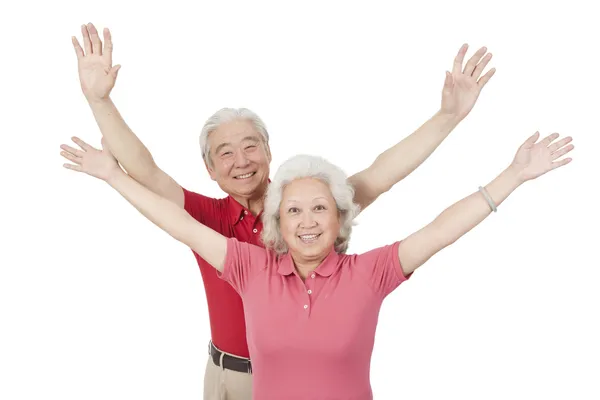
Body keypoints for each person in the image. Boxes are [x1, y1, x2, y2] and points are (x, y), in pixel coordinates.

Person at [69, 21, 496, 399]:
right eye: (226, 153)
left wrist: (448, 116)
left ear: (269, 151)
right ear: (211, 169)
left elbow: (383, 173)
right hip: (222, 372)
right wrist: (100, 103)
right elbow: (146, 172)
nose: (241, 161)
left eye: (250, 145)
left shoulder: (306, 206)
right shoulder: (210, 217)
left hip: (290, 378)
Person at [60, 129, 573, 399]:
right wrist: (112, 176)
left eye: (321, 208)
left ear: (341, 219)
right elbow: (175, 222)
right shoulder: (249, 268)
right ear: (277, 222)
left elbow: (441, 230)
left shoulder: (369, 274)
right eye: (294, 210)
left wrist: (513, 175)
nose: (307, 221)